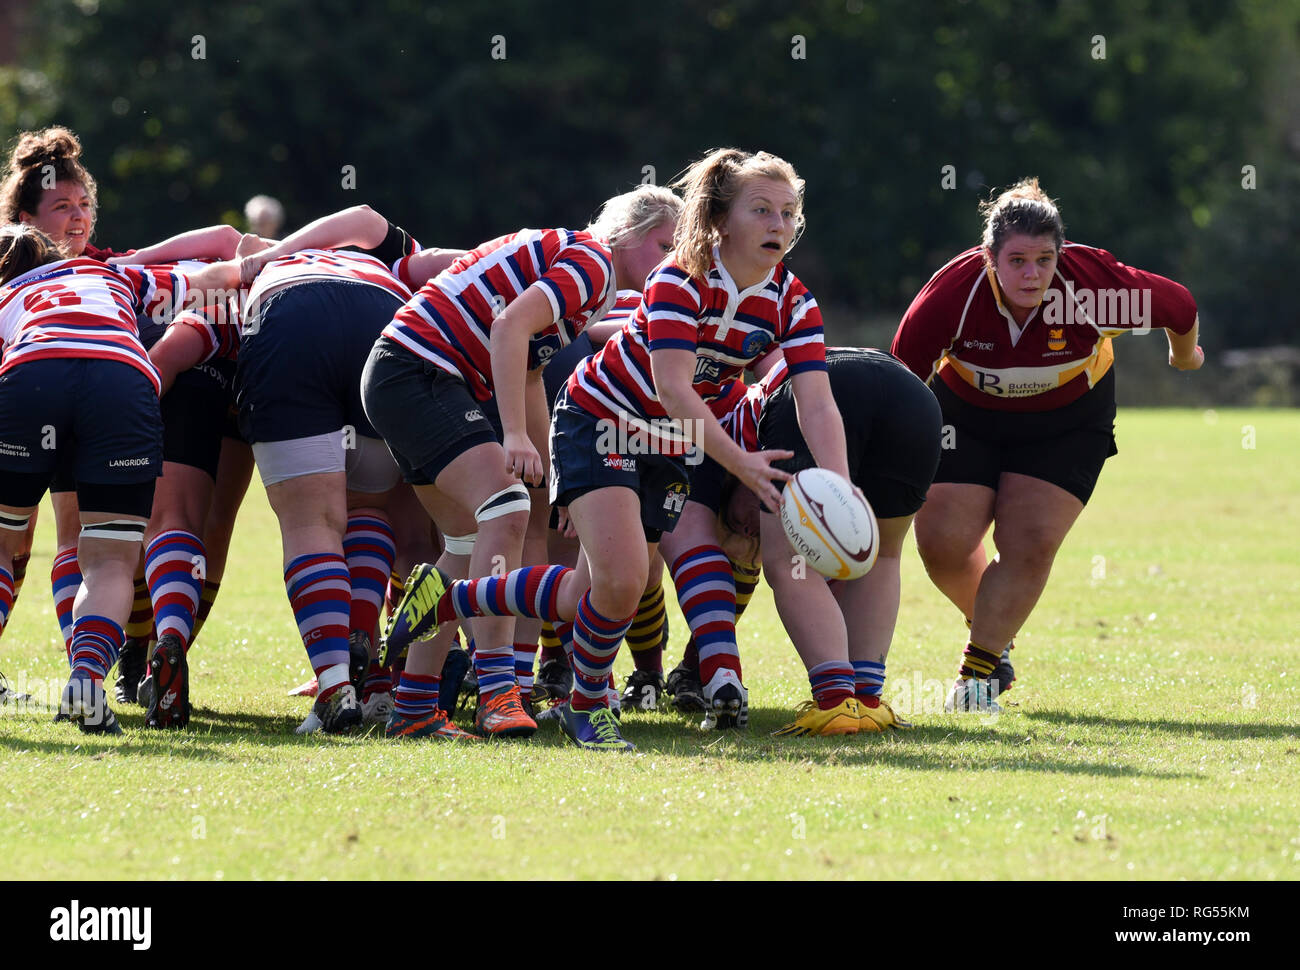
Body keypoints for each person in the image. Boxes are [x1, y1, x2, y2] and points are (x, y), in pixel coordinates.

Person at [384, 148, 853, 751]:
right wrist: (738, 462)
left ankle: (449, 598)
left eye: (789, 213)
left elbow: (817, 403)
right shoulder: (680, 279)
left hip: (670, 445)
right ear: (719, 220)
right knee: (626, 580)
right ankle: (590, 708)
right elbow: (673, 387)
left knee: (594, 593)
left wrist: (836, 488)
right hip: (598, 423)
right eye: (761, 210)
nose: (779, 226)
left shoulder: (794, 300)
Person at [364, 185, 681, 742]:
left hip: (406, 373)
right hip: (418, 370)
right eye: (664, 245)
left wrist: (556, 475)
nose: (673, 262)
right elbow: (508, 328)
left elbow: (532, 370)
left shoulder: (589, 274)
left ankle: (413, 707)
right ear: (628, 235)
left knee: (464, 545)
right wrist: (512, 434)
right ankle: (497, 695)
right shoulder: (594, 262)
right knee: (506, 507)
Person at [890, 178, 1203, 713]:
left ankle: (979, 674)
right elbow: (899, 380)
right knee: (941, 541)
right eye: (1016, 261)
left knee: (1029, 540)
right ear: (989, 258)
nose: (1032, 274)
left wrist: (1185, 356)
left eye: (1044, 259)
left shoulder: (1092, 286)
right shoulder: (952, 295)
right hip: (965, 418)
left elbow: (1178, 305)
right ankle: (995, 627)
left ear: (1061, 255)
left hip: (1068, 423)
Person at [0, 223, 237, 732]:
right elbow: (210, 279)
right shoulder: (109, 273)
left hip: (33, 371)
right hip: (123, 380)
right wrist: (261, 260)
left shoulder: (7, 295)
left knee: (2, 542)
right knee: (109, 558)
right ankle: (86, 684)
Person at [722, 347, 942, 734]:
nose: (747, 529)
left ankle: (836, 700)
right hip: (915, 398)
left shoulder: (730, 431)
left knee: (789, 562)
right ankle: (866, 701)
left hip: (820, 387)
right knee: (882, 555)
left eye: (738, 523)